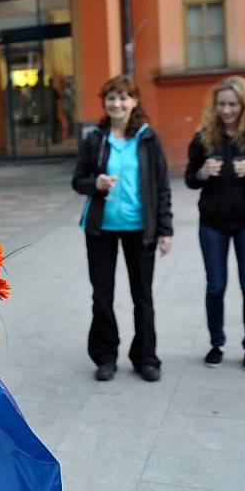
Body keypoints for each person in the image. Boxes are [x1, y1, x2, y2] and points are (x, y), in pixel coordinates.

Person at [72, 75, 173, 383]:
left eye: (123, 98)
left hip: (140, 228)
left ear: (134, 102)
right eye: (111, 98)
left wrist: (165, 229)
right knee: (101, 296)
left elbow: (161, 186)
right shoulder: (95, 139)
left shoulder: (147, 137)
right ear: (105, 102)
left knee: (142, 296)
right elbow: (78, 181)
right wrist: (96, 184)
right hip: (100, 229)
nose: (117, 104)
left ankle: (146, 358)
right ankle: (106, 356)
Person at [185, 75, 245, 371]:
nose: (226, 111)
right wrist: (201, 174)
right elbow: (189, 178)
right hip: (212, 223)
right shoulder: (203, 137)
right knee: (215, 286)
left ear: (244, 105)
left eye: (232, 105)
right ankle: (217, 343)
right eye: (222, 104)